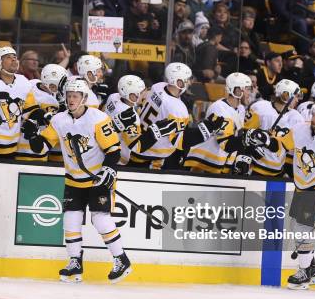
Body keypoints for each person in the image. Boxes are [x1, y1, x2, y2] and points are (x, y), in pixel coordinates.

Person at [20, 78, 133, 283]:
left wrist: (108, 170)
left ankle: (121, 259)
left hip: (97, 178)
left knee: (100, 218)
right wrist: (32, 136)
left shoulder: (98, 118)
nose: (71, 99)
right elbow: (42, 147)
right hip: (73, 178)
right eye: (69, 95)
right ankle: (75, 262)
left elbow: (113, 150)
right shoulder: (59, 120)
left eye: (75, 96)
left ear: (84, 98)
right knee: (70, 219)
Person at [246, 100, 315, 289]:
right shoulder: (300, 129)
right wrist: (266, 139)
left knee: (303, 228)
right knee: (297, 226)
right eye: (314, 115)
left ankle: (303, 274)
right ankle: (312, 270)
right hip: (301, 186)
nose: (313, 119)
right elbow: (281, 146)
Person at [184, 73, 252, 174]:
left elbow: (237, 136)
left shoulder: (241, 109)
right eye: (247, 89)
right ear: (237, 90)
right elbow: (225, 143)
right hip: (205, 164)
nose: (249, 93)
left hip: (222, 163)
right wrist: (248, 139)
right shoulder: (219, 108)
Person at [128, 62, 191, 170]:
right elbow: (177, 142)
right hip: (154, 154)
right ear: (178, 82)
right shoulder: (179, 109)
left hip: (138, 139)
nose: (189, 82)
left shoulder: (158, 86)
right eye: (186, 80)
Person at [244, 79, 304, 177]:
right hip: (255, 169)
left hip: (278, 172)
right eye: (295, 96)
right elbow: (246, 134)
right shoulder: (260, 108)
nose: (297, 100)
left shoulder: (297, 118)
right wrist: (250, 148)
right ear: (285, 96)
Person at [103, 75, 145, 165]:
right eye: (141, 92)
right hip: (118, 160)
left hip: (103, 148)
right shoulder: (132, 117)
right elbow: (136, 147)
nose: (143, 95)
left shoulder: (113, 97)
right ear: (132, 95)